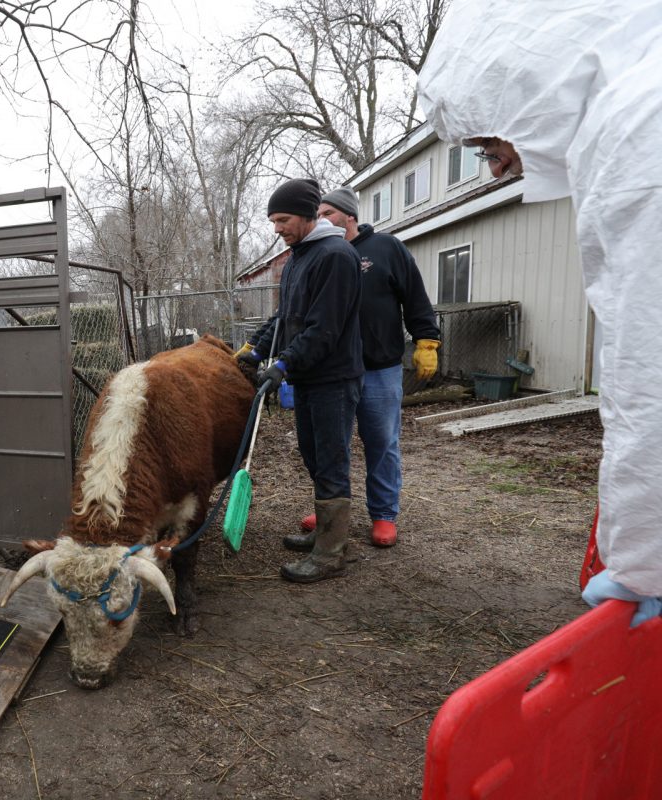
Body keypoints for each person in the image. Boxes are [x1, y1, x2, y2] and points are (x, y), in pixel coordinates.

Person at [418, 0, 662, 626]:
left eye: (488, 143)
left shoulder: (638, 127)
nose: (495, 166)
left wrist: (645, 560)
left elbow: (648, 366)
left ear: (529, 84)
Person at [291, 187, 441, 549]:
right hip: (334, 371)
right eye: (318, 214)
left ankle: (383, 514)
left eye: (328, 213)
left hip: (378, 367)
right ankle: (330, 514)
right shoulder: (318, 253)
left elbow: (415, 296)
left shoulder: (386, 248)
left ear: (350, 215)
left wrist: (426, 339)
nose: (321, 219)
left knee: (382, 442)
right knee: (329, 448)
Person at [237, 178, 364, 583]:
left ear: (308, 215)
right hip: (310, 377)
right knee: (313, 455)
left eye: (283, 219)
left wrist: (283, 365)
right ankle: (327, 537)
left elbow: (324, 328)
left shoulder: (335, 256)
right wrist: (256, 350)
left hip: (333, 377)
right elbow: (285, 318)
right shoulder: (298, 257)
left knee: (330, 459)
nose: (277, 228)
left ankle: (330, 554)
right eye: (273, 221)